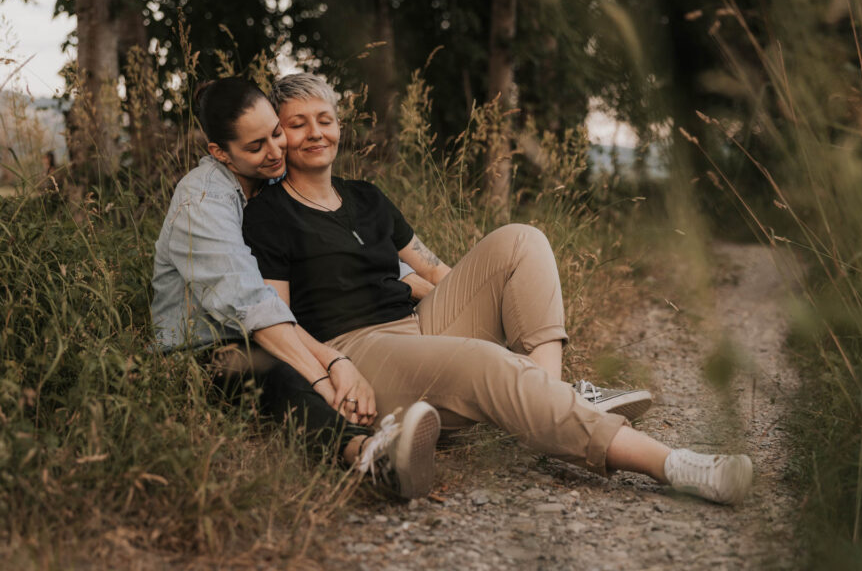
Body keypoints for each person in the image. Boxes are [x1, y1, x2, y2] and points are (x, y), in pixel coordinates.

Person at [240, 73, 753, 504]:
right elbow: (279, 321)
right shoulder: (271, 214)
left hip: (419, 325)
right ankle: (674, 464)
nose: (315, 133)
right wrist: (331, 375)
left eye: (324, 120)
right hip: (358, 349)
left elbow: (440, 272)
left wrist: (452, 295)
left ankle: (546, 403)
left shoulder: (366, 197)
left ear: (339, 126)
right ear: (280, 136)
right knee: (489, 362)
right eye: (297, 124)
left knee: (520, 241)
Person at [149, 78, 440, 499]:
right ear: (219, 152)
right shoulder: (204, 202)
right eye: (256, 147)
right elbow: (251, 309)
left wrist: (414, 285)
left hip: (283, 328)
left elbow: (343, 253)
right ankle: (369, 454)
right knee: (276, 372)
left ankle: (395, 421)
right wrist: (328, 371)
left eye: (276, 133)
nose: (276, 151)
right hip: (211, 346)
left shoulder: (269, 182)